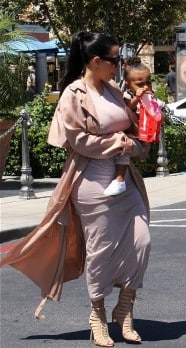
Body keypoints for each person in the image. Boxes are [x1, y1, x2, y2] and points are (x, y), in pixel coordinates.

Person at [0, 32, 152, 347]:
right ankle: (97, 314)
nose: (118, 65)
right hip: (92, 185)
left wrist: (139, 139)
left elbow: (134, 128)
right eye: (114, 59)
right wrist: (119, 142)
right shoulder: (74, 94)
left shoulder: (113, 90)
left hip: (127, 182)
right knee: (99, 253)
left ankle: (124, 309)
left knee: (142, 242)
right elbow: (79, 141)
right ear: (96, 61)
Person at [103, 56, 161, 196]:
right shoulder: (126, 97)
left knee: (125, 146)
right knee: (125, 146)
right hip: (134, 139)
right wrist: (137, 98)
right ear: (128, 85)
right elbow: (127, 108)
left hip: (142, 141)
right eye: (140, 84)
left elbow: (160, 115)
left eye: (148, 83)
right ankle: (119, 179)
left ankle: (119, 179)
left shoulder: (150, 97)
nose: (145, 87)